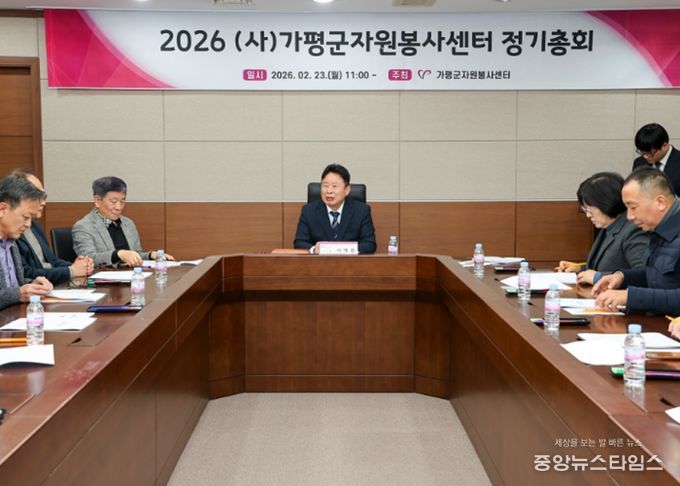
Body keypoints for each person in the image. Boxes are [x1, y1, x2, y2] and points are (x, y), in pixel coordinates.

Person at [593, 167, 680, 314]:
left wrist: (631, 296)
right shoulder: (659, 229)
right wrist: (623, 277)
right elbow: (658, 278)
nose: (629, 216)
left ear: (661, 202)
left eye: (633, 207)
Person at [556, 172, 648, 285]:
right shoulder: (608, 227)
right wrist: (580, 269)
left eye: (590, 209)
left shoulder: (633, 230)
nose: (588, 215)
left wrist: (599, 277)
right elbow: (603, 267)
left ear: (606, 203)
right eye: (585, 210)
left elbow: (644, 275)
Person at [10, 169, 94, 285]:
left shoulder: (34, 225)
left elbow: (52, 261)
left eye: (43, 196)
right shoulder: (11, 232)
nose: (43, 202)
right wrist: (71, 271)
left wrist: (77, 266)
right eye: (37, 196)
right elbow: (25, 274)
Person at [72, 176, 174, 266]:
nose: (118, 207)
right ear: (97, 201)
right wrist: (118, 254)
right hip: (102, 279)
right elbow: (88, 259)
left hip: (130, 277)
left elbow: (135, 254)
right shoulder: (83, 227)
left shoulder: (128, 223)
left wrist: (151, 255)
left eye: (122, 201)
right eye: (113, 201)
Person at [294, 164, 376, 254]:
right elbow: (299, 242)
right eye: (325, 185)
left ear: (347, 190)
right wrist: (314, 249)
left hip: (350, 261)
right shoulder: (309, 211)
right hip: (320, 261)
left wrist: (341, 250)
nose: (329, 191)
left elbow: (369, 244)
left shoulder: (361, 211)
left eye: (335, 186)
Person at [0, 176, 53, 309]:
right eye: (25, 217)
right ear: (2, 209)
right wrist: (18, 294)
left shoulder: (11, 241)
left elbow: (12, 285)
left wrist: (33, 285)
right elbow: (14, 293)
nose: (28, 224)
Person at [632, 123, 680, 195]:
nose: (645, 157)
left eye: (649, 153)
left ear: (664, 146)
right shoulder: (639, 163)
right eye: (642, 153)